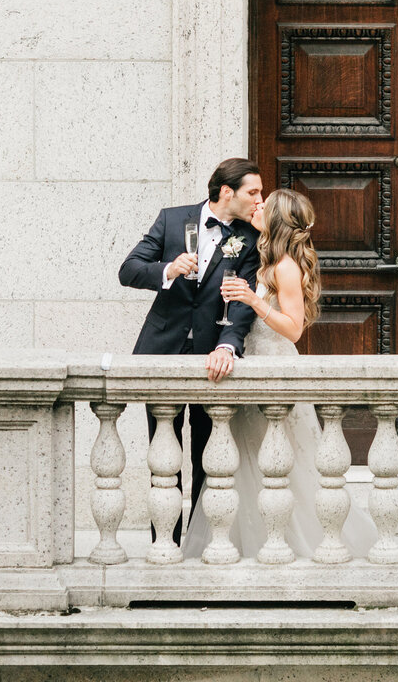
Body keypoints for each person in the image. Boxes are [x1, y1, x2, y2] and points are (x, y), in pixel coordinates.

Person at [183, 188, 378, 560]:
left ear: (276, 219)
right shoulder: (265, 258)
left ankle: (295, 543)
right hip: (252, 365)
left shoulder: (286, 266)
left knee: (284, 462)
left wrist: (253, 300)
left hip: (275, 364)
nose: (257, 206)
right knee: (249, 460)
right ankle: (253, 542)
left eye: (264, 205)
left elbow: (294, 329)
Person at [118, 157, 264, 544]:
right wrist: (167, 269)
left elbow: (244, 302)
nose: (259, 200)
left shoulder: (249, 240)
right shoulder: (171, 219)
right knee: (162, 455)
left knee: (208, 454)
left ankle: (200, 544)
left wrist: (228, 346)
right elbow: (128, 270)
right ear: (227, 192)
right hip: (161, 350)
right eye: (253, 192)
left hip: (210, 358)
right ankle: (163, 541)